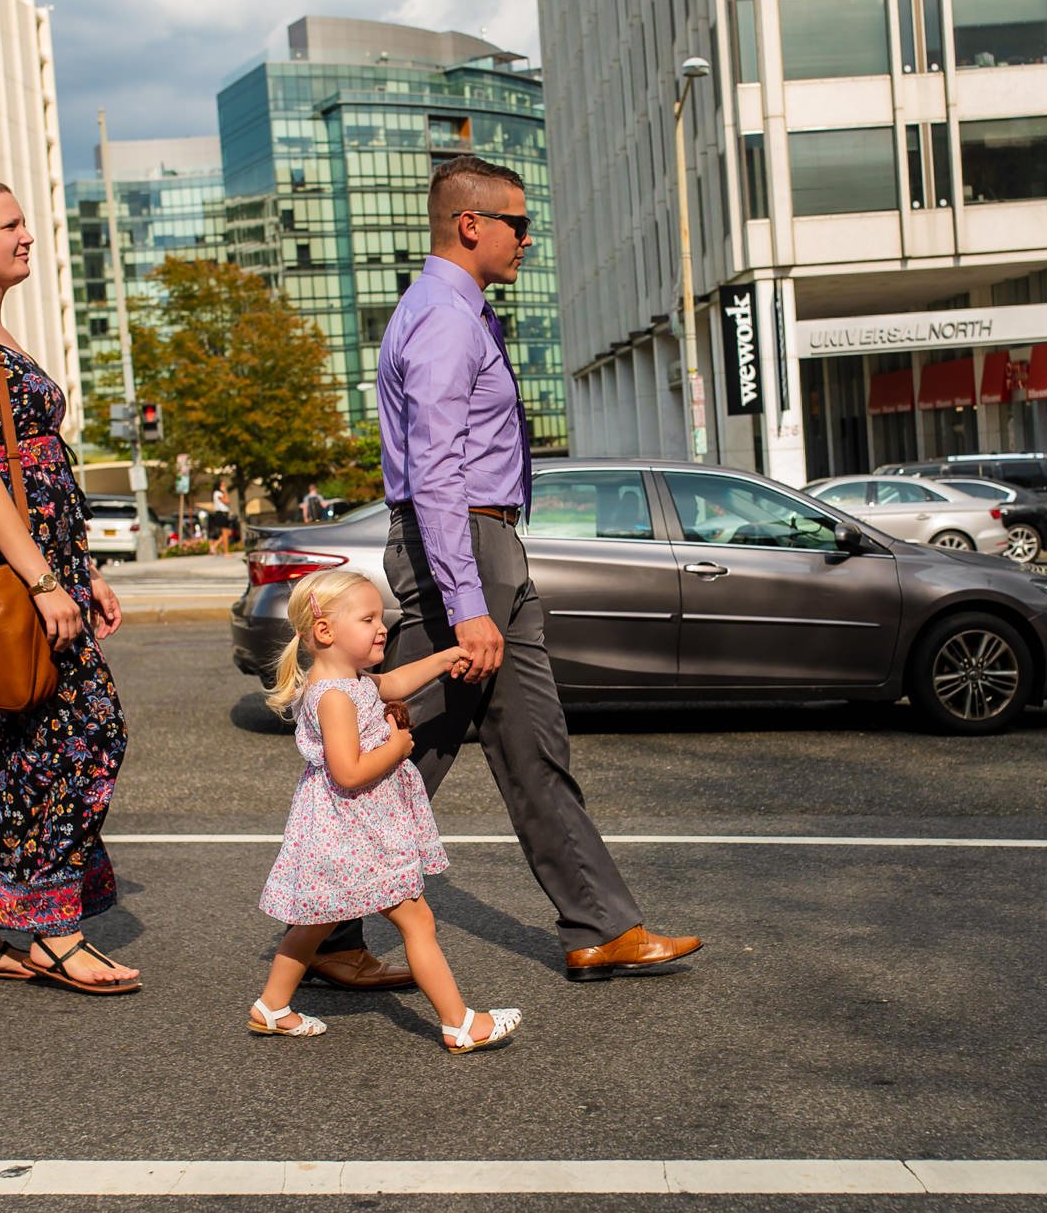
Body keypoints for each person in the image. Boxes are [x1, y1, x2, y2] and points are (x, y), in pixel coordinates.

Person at [299, 155, 703, 985]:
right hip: (465, 550)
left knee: (524, 747)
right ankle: (324, 931)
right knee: (403, 750)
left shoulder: (452, 311)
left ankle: (600, 926)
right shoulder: (446, 319)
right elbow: (437, 467)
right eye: (518, 224)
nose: (528, 239)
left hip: (478, 545)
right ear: (471, 225)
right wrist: (467, 601)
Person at [0, 179, 140, 996]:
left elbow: (37, 471)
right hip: (5, 577)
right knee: (91, 732)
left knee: (6, 746)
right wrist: (46, 581)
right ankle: (48, 927)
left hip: (38, 570)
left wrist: (83, 575)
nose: (26, 237)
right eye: (9, 225)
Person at [251, 570, 521, 1053]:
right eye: (368, 618)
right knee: (418, 922)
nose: (381, 627)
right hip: (356, 831)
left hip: (344, 829)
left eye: (381, 616)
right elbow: (349, 772)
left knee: (315, 919)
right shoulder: (333, 697)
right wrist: (397, 748)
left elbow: (394, 681)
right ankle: (458, 1023)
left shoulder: (348, 681)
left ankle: (272, 1007)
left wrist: (443, 658)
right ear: (325, 632)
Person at [209, 482, 234, 556]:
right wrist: (225, 491)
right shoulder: (217, 493)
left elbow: (228, 501)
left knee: (228, 533)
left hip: (224, 514)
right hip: (221, 514)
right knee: (225, 533)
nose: (224, 486)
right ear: (218, 486)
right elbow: (227, 501)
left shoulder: (219, 493)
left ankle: (214, 546)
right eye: (223, 485)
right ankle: (226, 552)